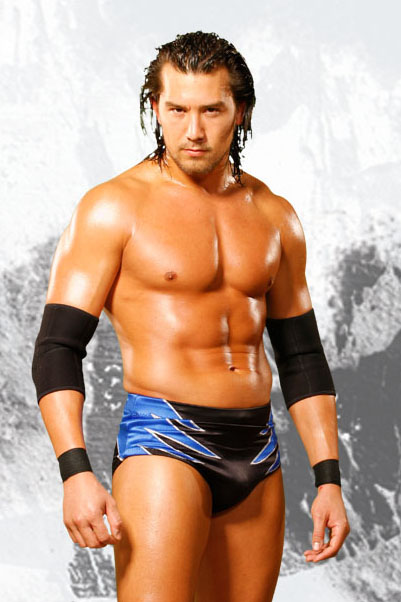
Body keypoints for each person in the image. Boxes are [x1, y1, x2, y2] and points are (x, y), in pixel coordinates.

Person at [32, 31, 350, 602]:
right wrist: (75, 471)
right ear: (155, 108)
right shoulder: (114, 207)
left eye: (211, 110)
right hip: (163, 438)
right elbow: (58, 348)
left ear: (240, 111)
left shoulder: (275, 216)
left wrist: (328, 478)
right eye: (177, 110)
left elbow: (302, 356)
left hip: (257, 446)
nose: (193, 131)